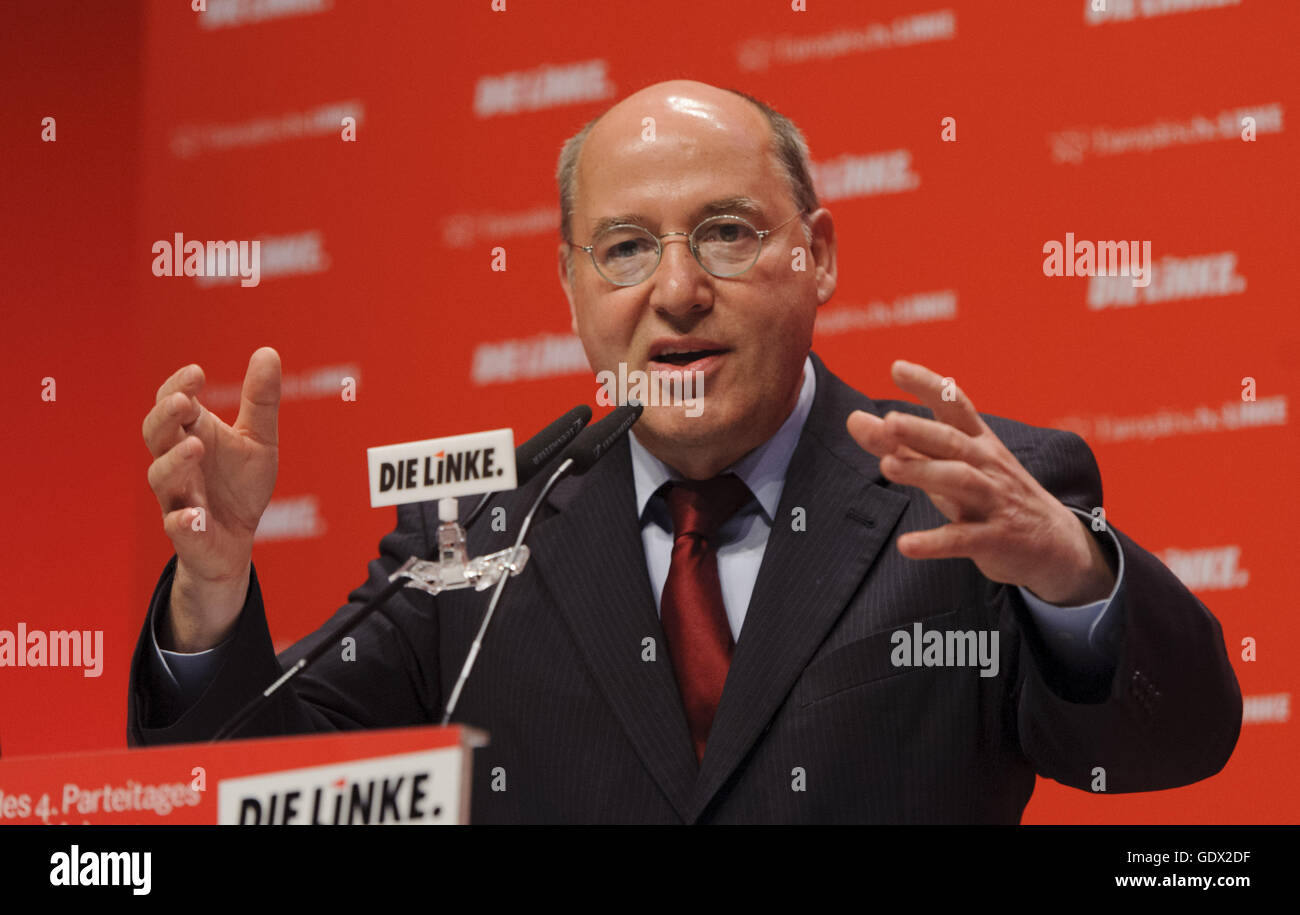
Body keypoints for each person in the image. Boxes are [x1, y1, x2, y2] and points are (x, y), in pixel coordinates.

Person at [130, 80, 1241, 823]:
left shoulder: (973, 504)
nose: (674, 291)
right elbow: (250, 796)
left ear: (818, 255)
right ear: (571, 292)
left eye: (726, 231)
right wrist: (212, 591)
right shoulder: (477, 530)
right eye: (622, 249)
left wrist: (1070, 580)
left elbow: (1169, 743)